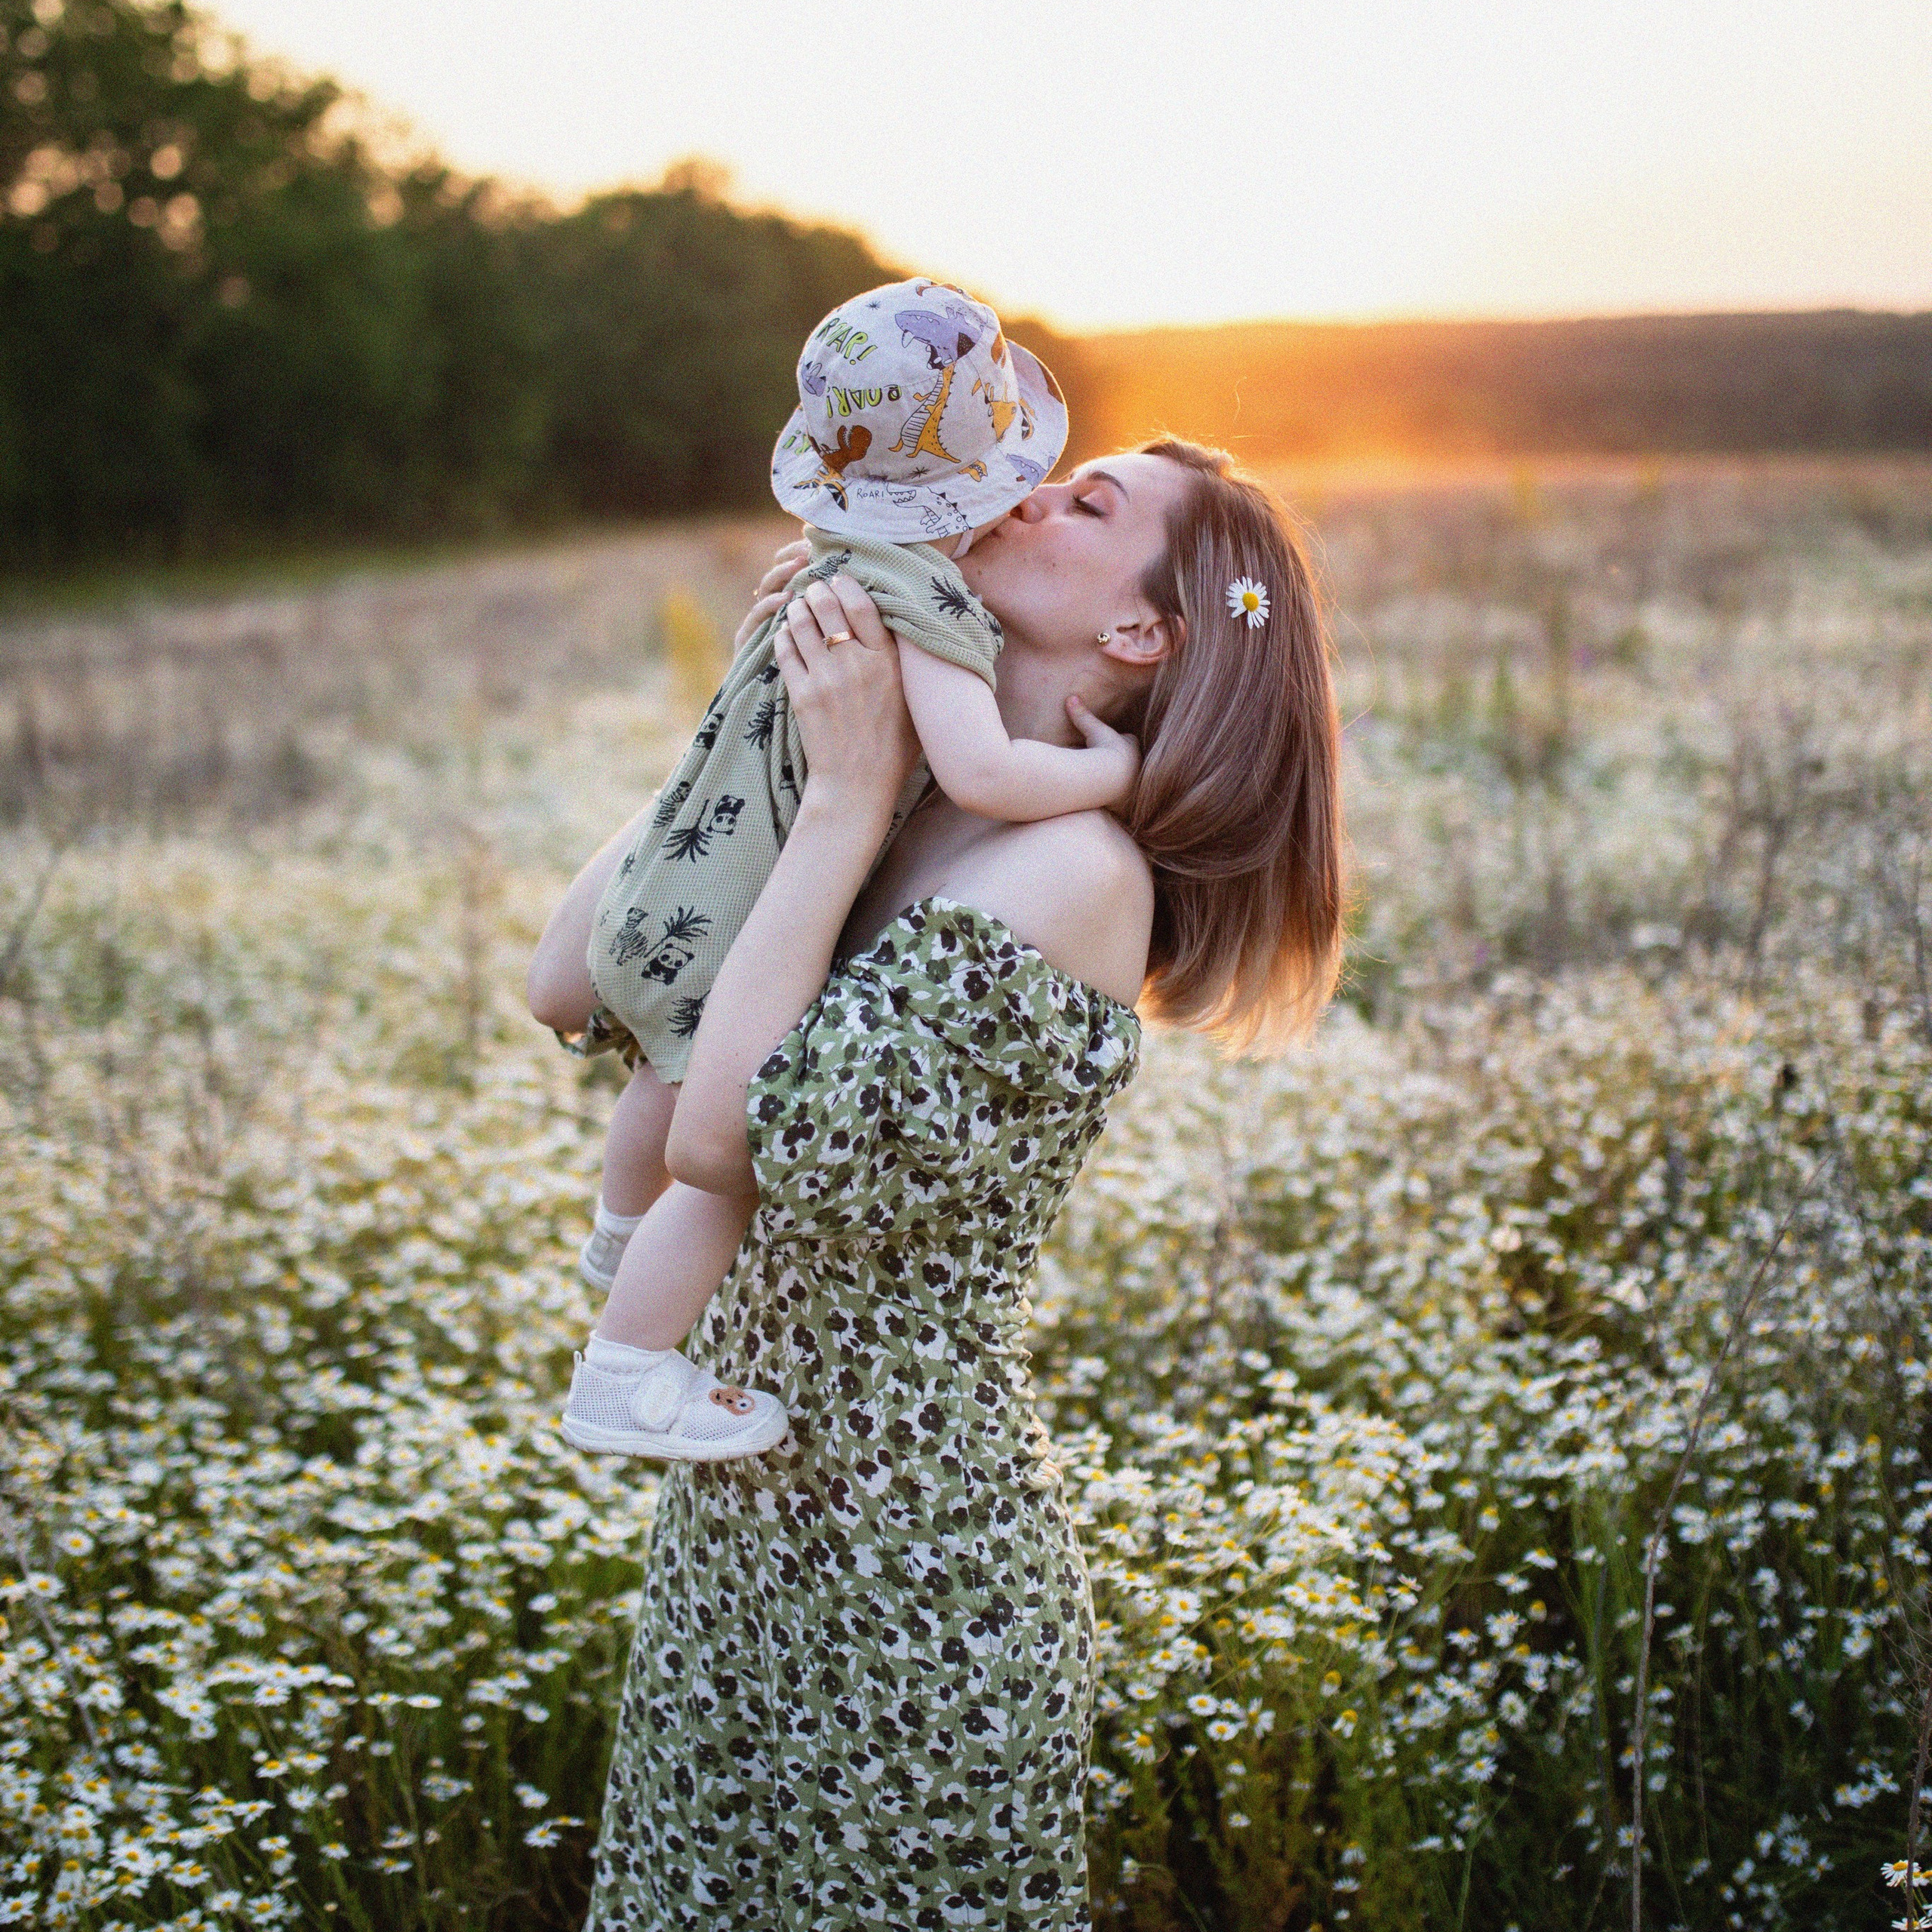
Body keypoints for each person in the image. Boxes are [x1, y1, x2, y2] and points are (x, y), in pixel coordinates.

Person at [527, 437, 1346, 1927]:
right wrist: (754, 713)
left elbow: (730, 1142)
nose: (1022, 490)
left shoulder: (1075, 876)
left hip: (905, 1579)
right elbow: (570, 971)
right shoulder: (904, 788)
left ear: (1140, 634)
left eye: (1084, 504)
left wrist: (836, 804)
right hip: (736, 1535)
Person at [551, 277, 1140, 1463]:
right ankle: (623, 1360)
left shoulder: (830, 558)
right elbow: (982, 768)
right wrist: (1108, 772)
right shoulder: (915, 601)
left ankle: (617, 1244)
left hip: (671, 894)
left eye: (1090, 508)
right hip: (721, 911)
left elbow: (581, 992)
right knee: (708, 1168)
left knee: (663, 1084)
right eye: (1044, 481)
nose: (1040, 501)